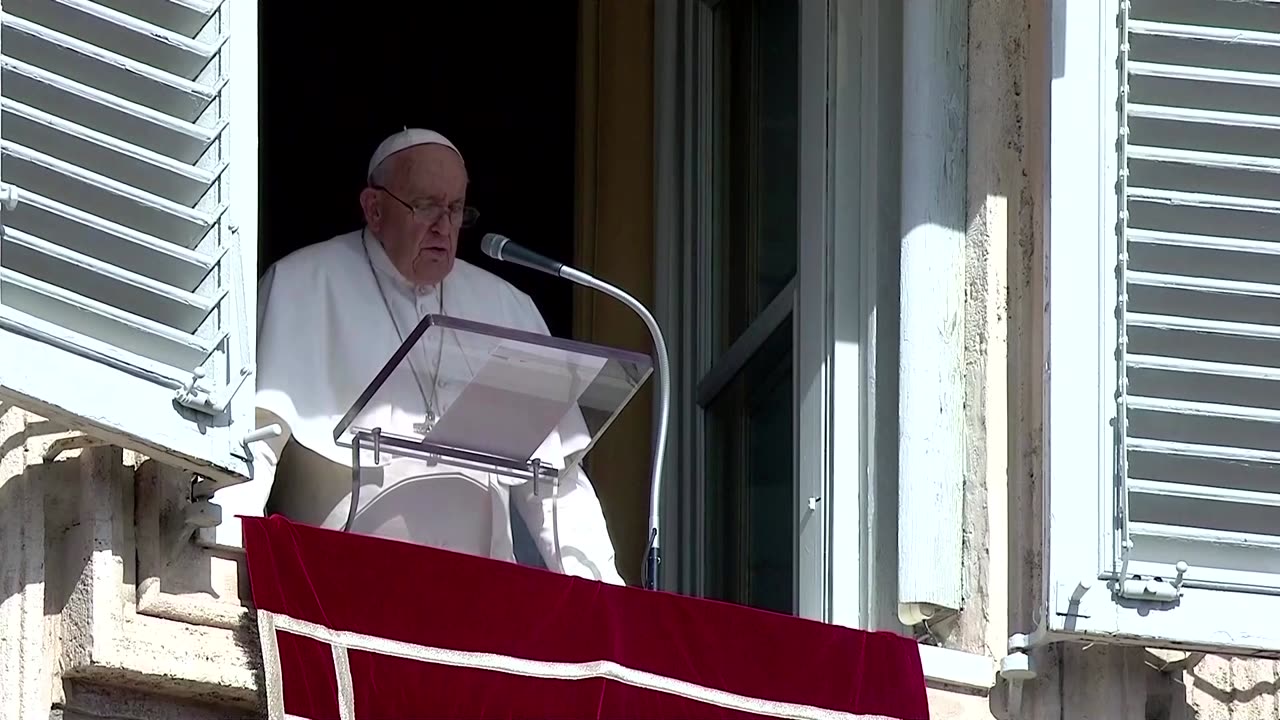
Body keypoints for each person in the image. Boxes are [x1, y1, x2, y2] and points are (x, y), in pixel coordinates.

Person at [217, 128, 625, 585]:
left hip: (482, 598)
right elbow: (255, 442)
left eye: (455, 209)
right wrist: (222, 565)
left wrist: (607, 595)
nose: (444, 227)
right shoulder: (303, 285)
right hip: (336, 585)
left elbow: (552, 481)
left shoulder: (508, 309)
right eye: (426, 206)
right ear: (374, 209)